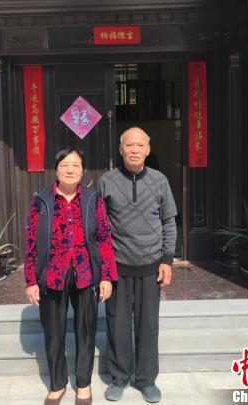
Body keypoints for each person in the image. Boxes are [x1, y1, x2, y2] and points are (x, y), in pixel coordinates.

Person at [24, 148, 117, 405]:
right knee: (53, 332)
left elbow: (104, 238)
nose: (70, 169)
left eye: (76, 165)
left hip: (86, 273)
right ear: (56, 169)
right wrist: (31, 280)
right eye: (65, 164)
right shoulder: (41, 201)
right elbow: (31, 242)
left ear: (83, 170)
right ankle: (57, 384)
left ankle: (83, 384)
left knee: (86, 330)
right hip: (52, 274)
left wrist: (106, 276)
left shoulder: (92, 200)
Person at [98, 127, 177, 403]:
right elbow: (100, 228)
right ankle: (119, 378)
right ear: (121, 149)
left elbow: (168, 222)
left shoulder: (160, 180)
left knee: (148, 326)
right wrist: (104, 268)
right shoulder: (107, 181)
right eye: (129, 145)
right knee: (117, 325)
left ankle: (146, 380)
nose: (134, 150)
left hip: (150, 267)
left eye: (139, 145)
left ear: (147, 149)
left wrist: (167, 260)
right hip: (117, 267)